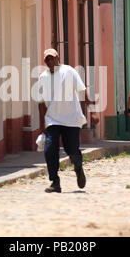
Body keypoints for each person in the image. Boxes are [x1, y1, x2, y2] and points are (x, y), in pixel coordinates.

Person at [38, 48, 99, 193]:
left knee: (71, 149)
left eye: (52, 58)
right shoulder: (43, 77)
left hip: (71, 118)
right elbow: (40, 103)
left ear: (58, 58)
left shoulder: (69, 71)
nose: (50, 61)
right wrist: (42, 126)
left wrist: (93, 112)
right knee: (49, 149)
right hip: (53, 119)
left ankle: (78, 168)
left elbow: (82, 91)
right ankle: (55, 182)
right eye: (47, 59)